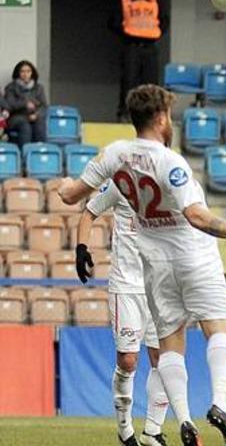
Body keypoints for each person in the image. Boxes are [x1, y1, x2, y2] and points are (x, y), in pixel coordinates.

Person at [59, 84, 226, 446]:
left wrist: (65, 184)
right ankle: (219, 404)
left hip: (155, 267)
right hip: (190, 258)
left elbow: (71, 195)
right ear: (162, 118)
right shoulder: (172, 163)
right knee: (217, 329)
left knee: (167, 346)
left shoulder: (115, 154)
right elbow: (197, 216)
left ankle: (177, 422)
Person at [76, 180, 168, 446]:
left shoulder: (170, 183)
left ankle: (153, 431)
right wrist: (81, 249)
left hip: (160, 285)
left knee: (163, 359)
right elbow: (89, 212)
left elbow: (193, 224)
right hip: (126, 285)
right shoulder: (121, 183)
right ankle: (125, 429)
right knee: (128, 360)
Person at [109, 0, 167, 122]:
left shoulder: (155, 2)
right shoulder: (125, 1)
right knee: (129, 81)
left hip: (149, 47)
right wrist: (126, 34)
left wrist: (156, 34)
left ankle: (150, 114)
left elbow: (164, 21)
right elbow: (113, 22)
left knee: (150, 83)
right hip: (132, 46)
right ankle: (125, 113)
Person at [4, 60, 48, 147]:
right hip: (16, 117)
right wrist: (25, 103)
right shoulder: (11, 87)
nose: (25, 74)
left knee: (39, 124)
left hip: (33, 116)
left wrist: (36, 115)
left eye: (28, 71)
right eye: (22, 71)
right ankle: (25, 152)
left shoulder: (39, 88)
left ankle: (39, 150)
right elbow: (9, 104)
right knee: (25, 126)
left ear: (32, 73)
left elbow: (44, 106)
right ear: (18, 73)